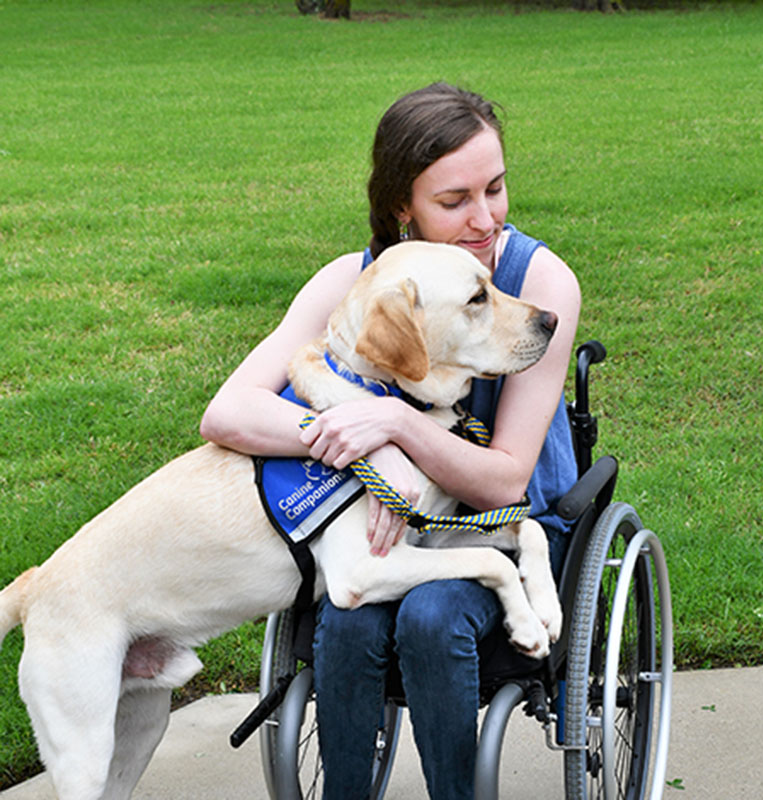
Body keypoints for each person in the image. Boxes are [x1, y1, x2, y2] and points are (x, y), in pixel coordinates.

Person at [200, 82, 581, 800]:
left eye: (495, 189)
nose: (485, 219)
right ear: (402, 206)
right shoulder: (360, 283)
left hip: (509, 519)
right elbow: (227, 414)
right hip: (401, 527)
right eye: (454, 200)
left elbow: (505, 482)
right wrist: (362, 446)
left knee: (434, 618)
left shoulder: (540, 283)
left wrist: (397, 425)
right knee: (346, 619)